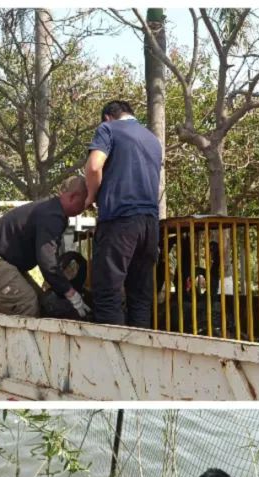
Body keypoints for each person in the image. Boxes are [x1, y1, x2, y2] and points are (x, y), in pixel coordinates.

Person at [84, 100, 163, 327]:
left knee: (108, 293)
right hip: (149, 224)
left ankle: (112, 360)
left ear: (108, 116)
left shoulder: (108, 129)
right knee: (140, 296)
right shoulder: (153, 140)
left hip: (120, 220)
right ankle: (139, 357)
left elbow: (94, 166)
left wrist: (91, 196)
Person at [0, 176, 91, 318]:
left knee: (43, 303)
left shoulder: (54, 211)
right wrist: (70, 293)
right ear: (73, 196)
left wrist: (62, 285)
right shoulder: (51, 215)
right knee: (27, 304)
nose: (84, 208)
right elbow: (47, 261)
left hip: (6, 260)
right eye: (84, 202)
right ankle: (15, 340)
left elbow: (50, 258)